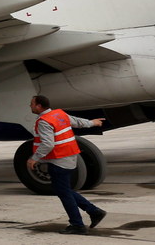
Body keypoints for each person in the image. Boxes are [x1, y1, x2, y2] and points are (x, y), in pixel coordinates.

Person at [26, 95, 107, 235]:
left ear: (39, 106)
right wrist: (92, 123)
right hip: (70, 157)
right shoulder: (58, 114)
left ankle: (78, 225)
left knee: (64, 193)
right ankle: (94, 212)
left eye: (32, 104)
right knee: (64, 190)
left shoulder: (44, 121)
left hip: (58, 161)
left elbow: (48, 144)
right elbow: (77, 122)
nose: (30, 106)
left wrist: (34, 158)